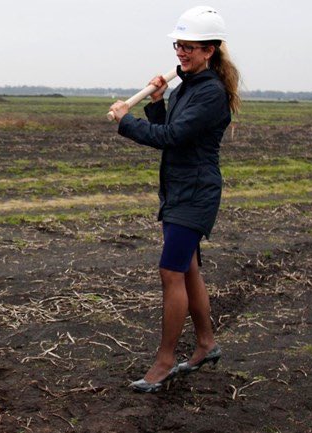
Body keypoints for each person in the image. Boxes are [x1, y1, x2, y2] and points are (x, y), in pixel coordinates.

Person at [109, 6, 240, 392]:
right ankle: (206, 344)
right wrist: (156, 102)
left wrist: (125, 120)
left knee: (171, 272)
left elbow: (169, 138)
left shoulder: (211, 93)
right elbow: (168, 126)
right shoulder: (188, 86)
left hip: (195, 194)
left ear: (210, 51)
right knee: (188, 269)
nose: (180, 52)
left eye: (189, 47)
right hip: (178, 190)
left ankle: (165, 361)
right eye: (178, 45)